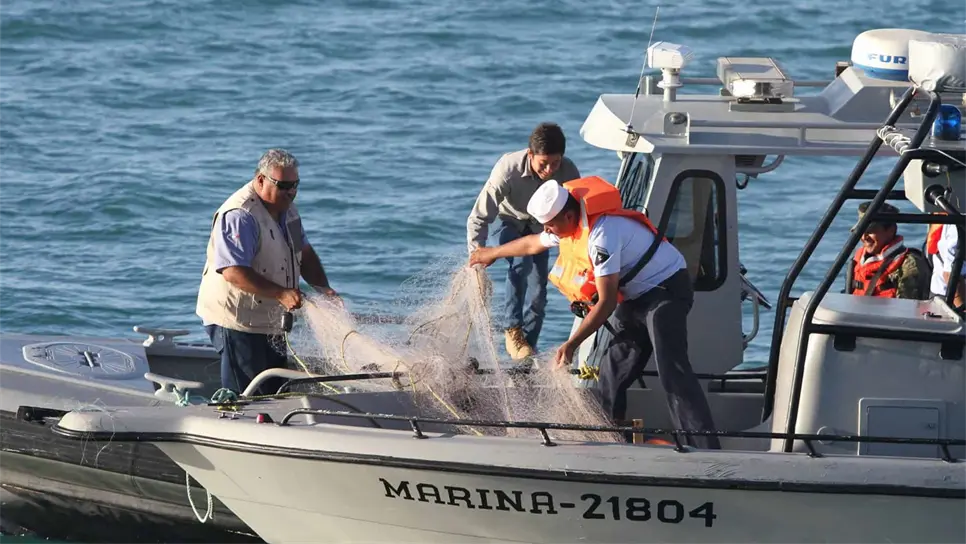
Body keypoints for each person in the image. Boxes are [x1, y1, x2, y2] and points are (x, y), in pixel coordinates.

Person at [469, 176, 720, 449]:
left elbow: (607, 302)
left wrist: (571, 344)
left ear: (567, 215)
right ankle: (607, 442)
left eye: (551, 225)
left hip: (667, 289)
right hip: (637, 296)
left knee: (671, 370)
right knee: (610, 371)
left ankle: (704, 450)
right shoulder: (567, 223)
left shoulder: (602, 234)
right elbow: (531, 244)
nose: (548, 230)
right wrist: (491, 252)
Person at [196, 148, 338, 395]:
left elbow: (304, 253)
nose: (291, 192)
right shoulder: (241, 215)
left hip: (269, 321)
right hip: (237, 321)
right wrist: (281, 294)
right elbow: (233, 271)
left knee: (274, 391)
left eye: (295, 185)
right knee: (247, 396)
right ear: (261, 180)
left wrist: (323, 288)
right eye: (283, 185)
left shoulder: (288, 210)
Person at [466, 122, 581, 360]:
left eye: (555, 163)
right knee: (521, 264)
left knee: (539, 292)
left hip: (544, 230)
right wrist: (476, 256)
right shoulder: (507, 170)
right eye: (543, 163)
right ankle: (513, 329)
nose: (549, 169)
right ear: (531, 155)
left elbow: (578, 215)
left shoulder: (569, 172)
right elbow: (479, 216)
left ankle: (528, 349)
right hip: (513, 222)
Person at [845, 201, 929, 299]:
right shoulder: (858, 258)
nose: (864, 237)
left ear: (891, 230)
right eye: (861, 231)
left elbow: (908, 309)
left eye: (871, 231)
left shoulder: (909, 264)